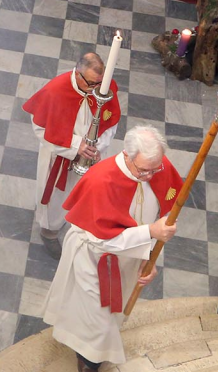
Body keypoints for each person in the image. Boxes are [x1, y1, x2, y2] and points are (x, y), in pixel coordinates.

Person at [42, 125, 183, 370]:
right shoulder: (101, 180)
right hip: (95, 257)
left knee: (112, 314)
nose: (150, 176)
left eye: (155, 169)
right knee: (98, 316)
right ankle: (88, 362)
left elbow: (162, 215)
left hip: (130, 256)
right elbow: (102, 238)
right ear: (127, 156)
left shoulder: (157, 165)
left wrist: (149, 259)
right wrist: (151, 232)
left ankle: (91, 351)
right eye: (144, 170)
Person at [24, 52, 120, 259]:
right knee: (56, 199)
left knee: (87, 193)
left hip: (93, 156)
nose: (96, 89)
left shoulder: (103, 87)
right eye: (91, 83)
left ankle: (79, 227)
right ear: (77, 73)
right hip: (59, 159)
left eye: (99, 84)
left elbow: (112, 121)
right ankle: (49, 232)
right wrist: (77, 146)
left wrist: (98, 146)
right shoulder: (55, 91)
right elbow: (40, 129)